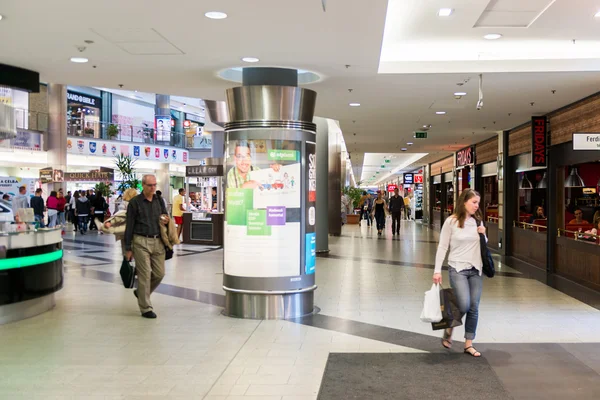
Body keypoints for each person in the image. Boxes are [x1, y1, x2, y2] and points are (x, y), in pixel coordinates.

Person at [433, 188, 487, 358]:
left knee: (474, 307)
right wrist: (437, 270)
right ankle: (449, 326)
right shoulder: (451, 221)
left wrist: (483, 235)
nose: (477, 206)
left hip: (476, 269)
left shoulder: (478, 221)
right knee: (463, 304)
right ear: (464, 202)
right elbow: (442, 246)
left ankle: (468, 344)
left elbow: (484, 245)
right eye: (474, 202)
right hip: (457, 268)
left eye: (478, 203)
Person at [124, 174, 169, 319]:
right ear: (142, 185)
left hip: (158, 241)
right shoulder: (135, 203)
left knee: (159, 273)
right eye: (150, 185)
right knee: (144, 275)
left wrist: (166, 220)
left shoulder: (159, 200)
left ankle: (141, 293)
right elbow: (129, 226)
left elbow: (164, 216)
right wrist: (128, 248)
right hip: (140, 241)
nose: (153, 188)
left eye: (155, 185)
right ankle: (146, 308)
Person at [100, 188, 138, 255]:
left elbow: (118, 215)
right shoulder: (134, 204)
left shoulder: (123, 204)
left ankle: (126, 262)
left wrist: (110, 222)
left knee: (125, 248)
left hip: (123, 230)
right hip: (134, 230)